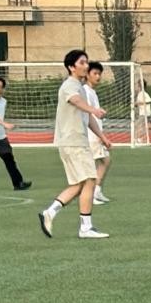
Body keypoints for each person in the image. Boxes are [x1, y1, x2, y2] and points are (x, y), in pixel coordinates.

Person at [38, 50, 111, 239]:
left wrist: (102, 136)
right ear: (72, 67)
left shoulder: (80, 87)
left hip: (76, 142)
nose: (86, 66)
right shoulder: (70, 85)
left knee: (79, 184)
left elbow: (87, 116)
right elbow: (76, 101)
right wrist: (93, 109)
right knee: (90, 180)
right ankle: (85, 228)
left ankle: (50, 212)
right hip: (73, 142)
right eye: (82, 62)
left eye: (87, 62)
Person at [84, 62, 112, 205]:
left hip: (96, 132)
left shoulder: (92, 92)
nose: (98, 76)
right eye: (95, 73)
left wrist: (100, 112)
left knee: (105, 160)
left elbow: (93, 111)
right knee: (93, 165)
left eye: (99, 74)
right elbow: (87, 112)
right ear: (87, 75)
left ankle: (97, 191)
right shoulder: (85, 91)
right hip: (91, 134)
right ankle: (91, 195)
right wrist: (99, 136)